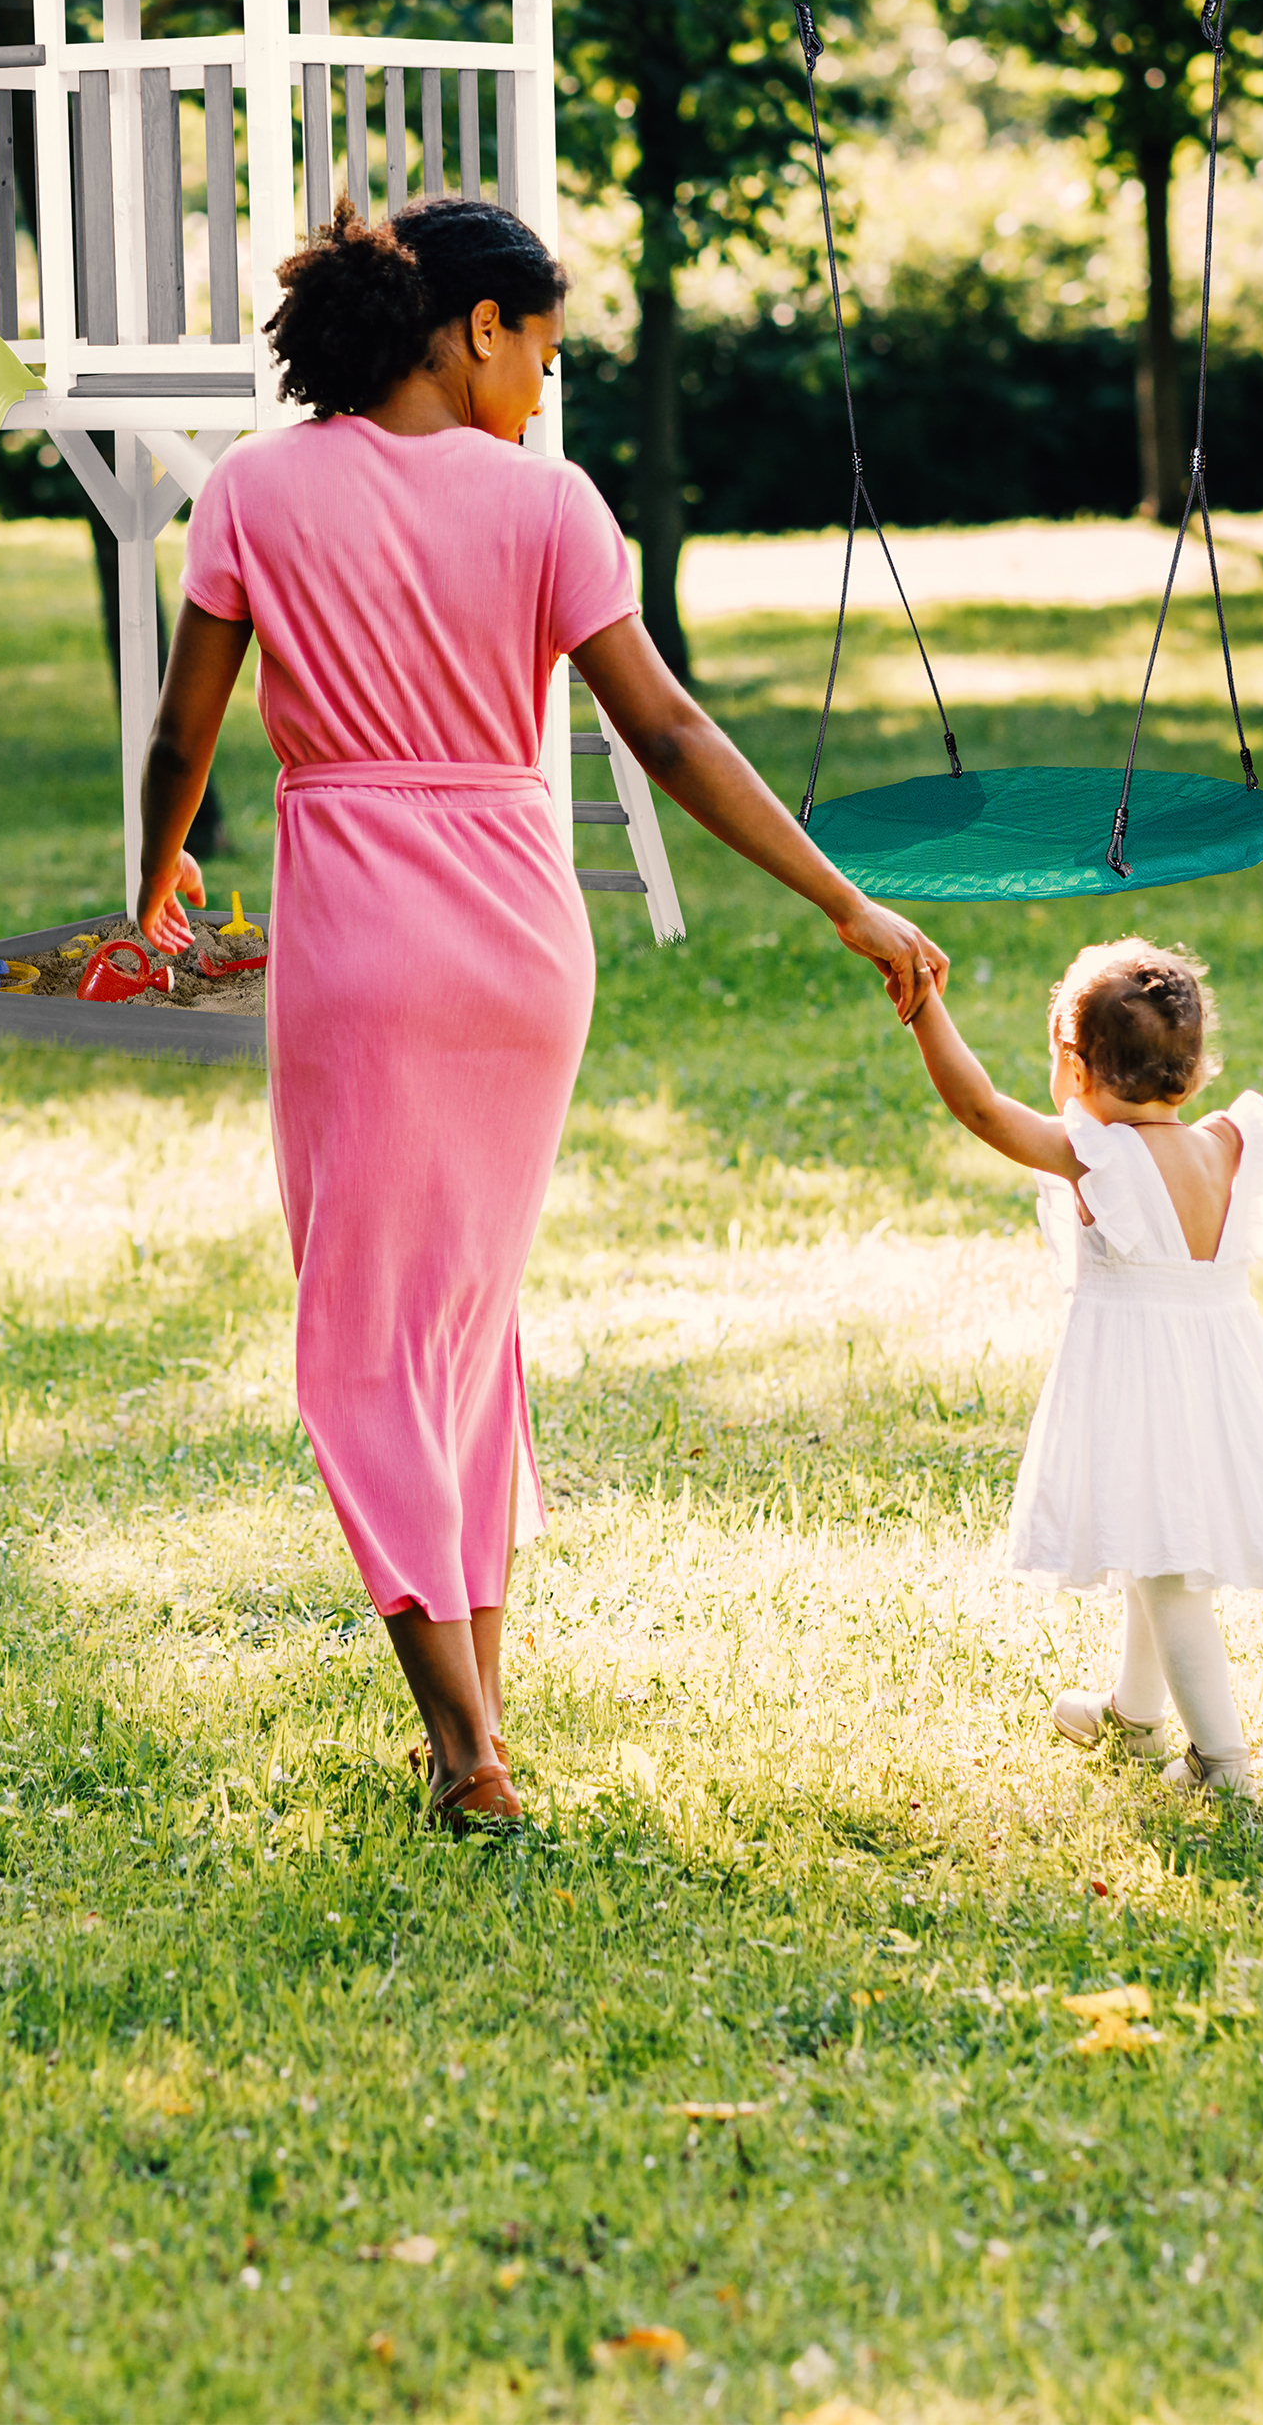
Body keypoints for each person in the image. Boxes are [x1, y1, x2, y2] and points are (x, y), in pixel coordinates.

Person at [134, 197, 947, 1828]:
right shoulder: (550, 507)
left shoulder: (253, 490)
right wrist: (843, 896)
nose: (546, 389)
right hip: (520, 937)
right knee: (462, 1327)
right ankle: (480, 1715)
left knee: (366, 1339)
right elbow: (667, 735)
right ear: (475, 327)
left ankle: (463, 1748)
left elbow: (184, 733)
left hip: (361, 937)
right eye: (545, 353)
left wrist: (150, 880)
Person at [900, 937, 1263, 1796]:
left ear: (1076, 1068)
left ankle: (1221, 1761)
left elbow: (979, 1108)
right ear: (1194, 1073)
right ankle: (1133, 1716)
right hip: (1218, 1381)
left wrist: (924, 1007)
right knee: (1149, 1539)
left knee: (1167, 1573)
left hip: (1140, 1385)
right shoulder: (1228, 1143)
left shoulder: (1097, 1157)